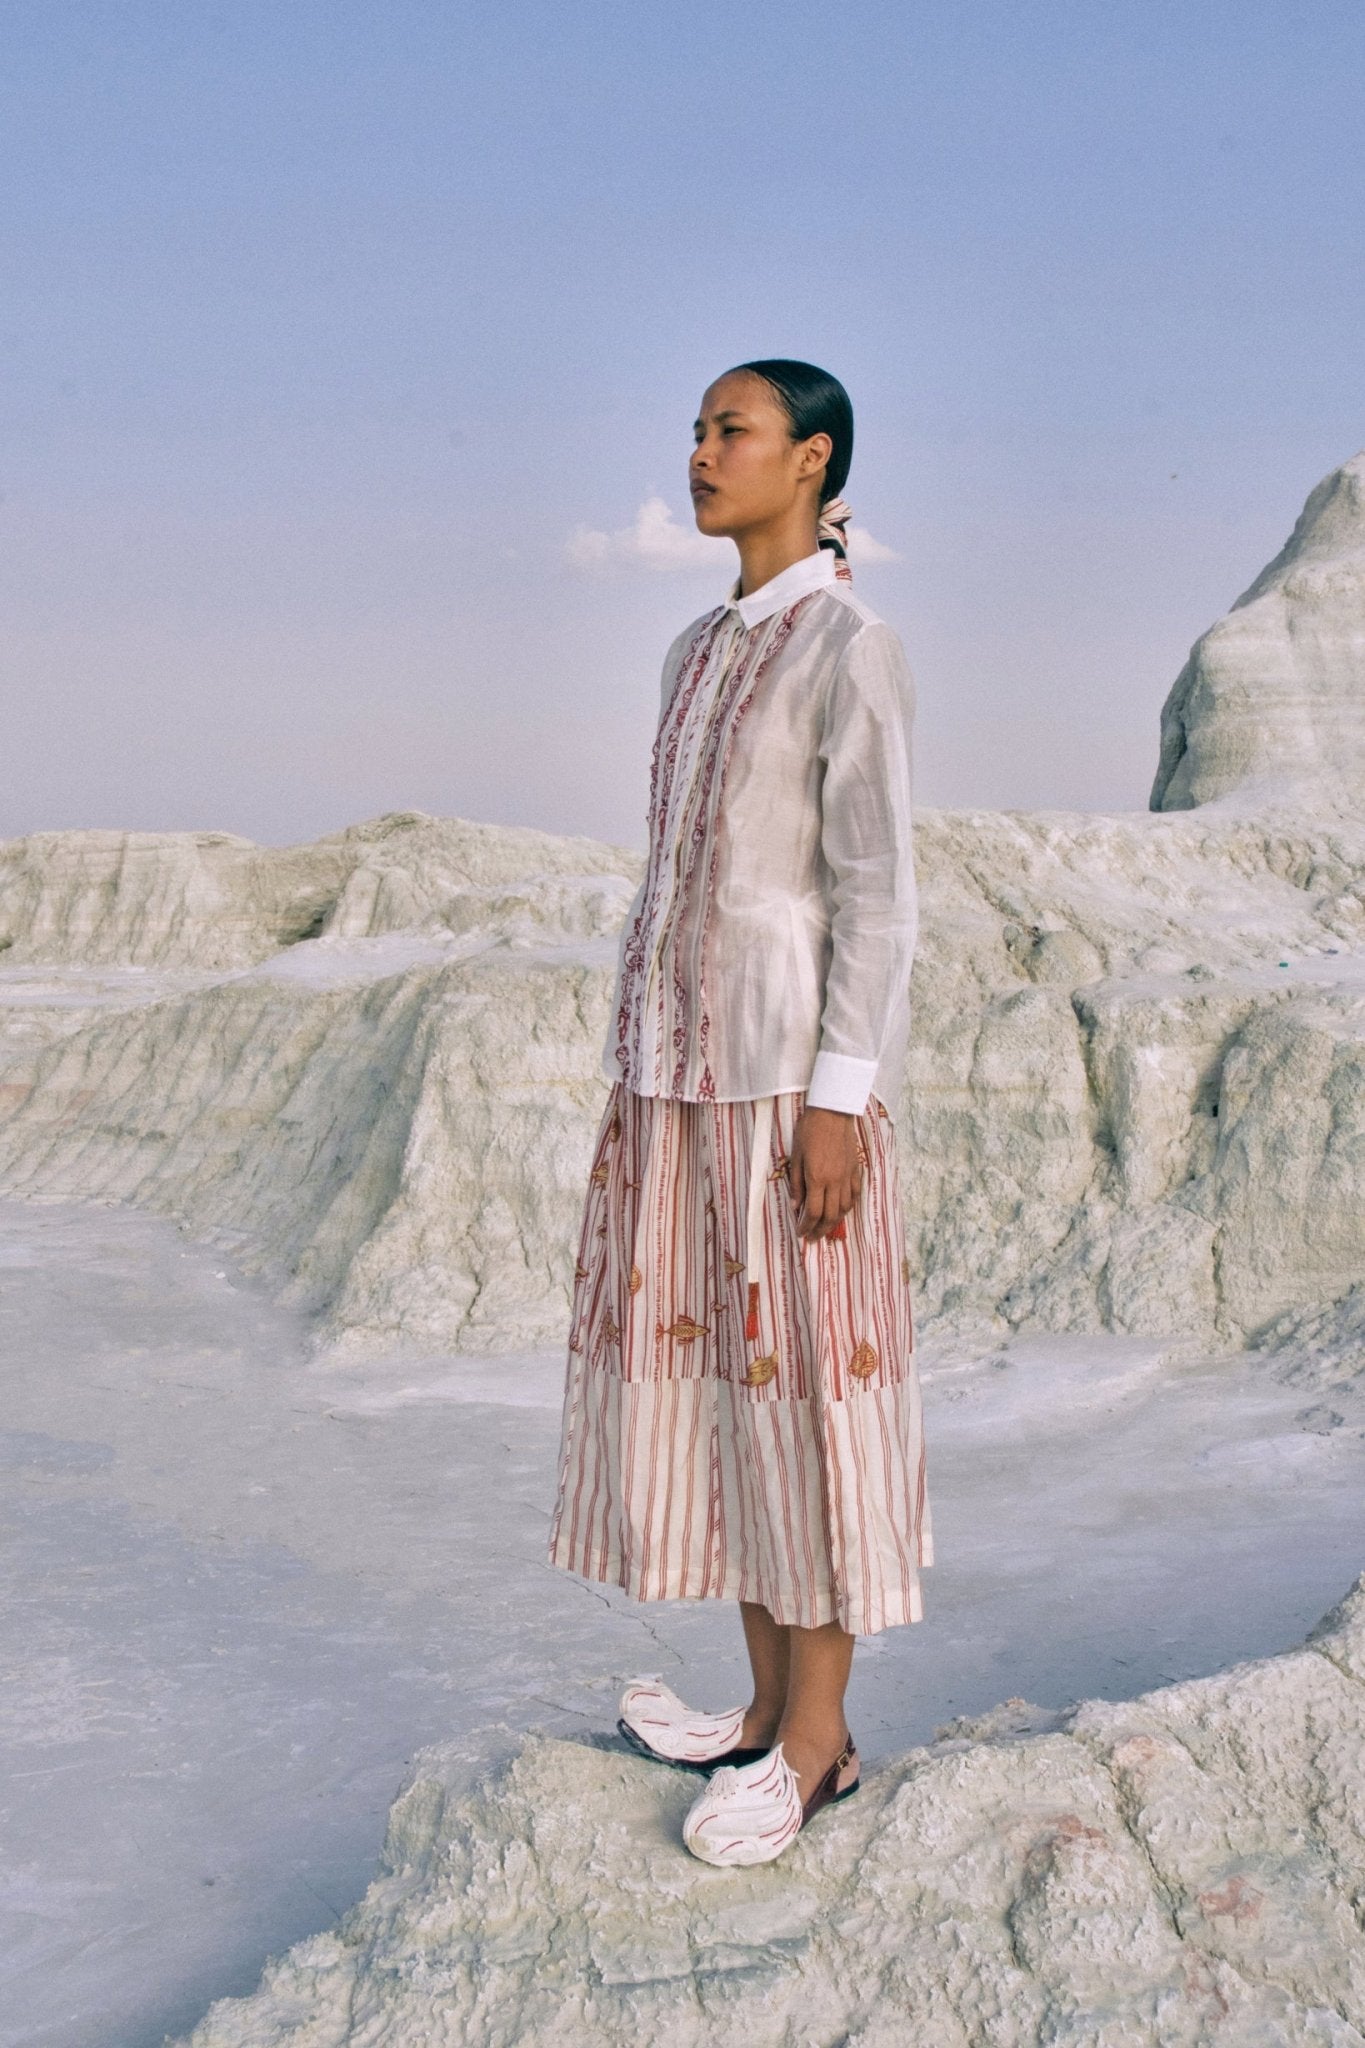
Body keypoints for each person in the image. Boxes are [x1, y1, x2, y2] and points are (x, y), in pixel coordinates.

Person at [547, 358, 932, 1868]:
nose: (702, 455)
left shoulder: (850, 644)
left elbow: (877, 894)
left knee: (809, 1406)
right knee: (729, 1406)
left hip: (785, 1085)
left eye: (733, 431)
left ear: (811, 459)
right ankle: (764, 1708)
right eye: (698, 432)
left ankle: (820, 1743)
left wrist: (841, 1100)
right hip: (673, 1081)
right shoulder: (694, 649)